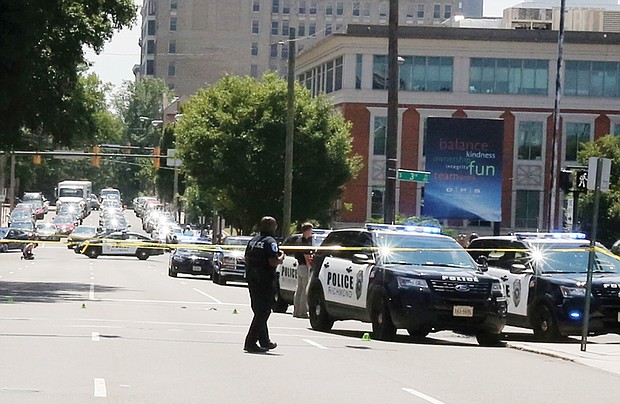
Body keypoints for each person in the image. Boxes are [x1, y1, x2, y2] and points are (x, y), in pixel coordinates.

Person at [243, 216, 284, 353]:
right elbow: (273, 261)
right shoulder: (270, 242)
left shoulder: (253, 241)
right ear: (272, 227)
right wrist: (281, 257)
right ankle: (250, 342)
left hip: (252, 278)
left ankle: (264, 340)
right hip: (265, 279)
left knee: (258, 309)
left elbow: (246, 258)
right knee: (264, 311)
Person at [293, 222, 313, 318]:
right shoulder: (305, 242)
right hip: (304, 266)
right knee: (305, 289)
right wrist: (310, 266)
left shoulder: (298, 240)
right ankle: (303, 312)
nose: (311, 233)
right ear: (307, 231)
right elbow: (306, 256)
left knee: (299, 288)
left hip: (299, 266)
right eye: (310, 230)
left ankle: (296, 310)